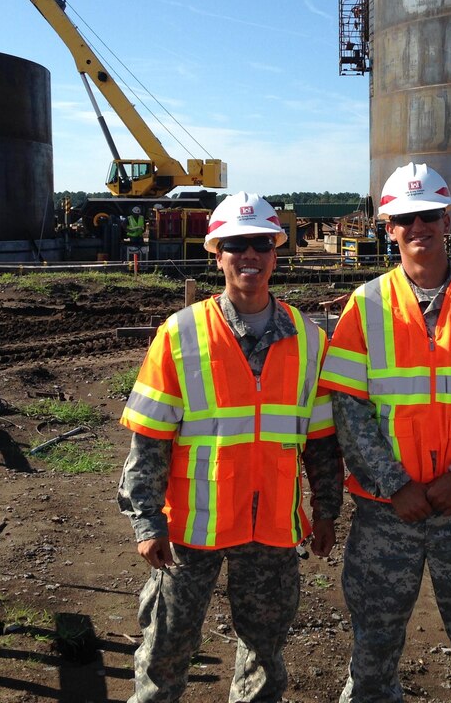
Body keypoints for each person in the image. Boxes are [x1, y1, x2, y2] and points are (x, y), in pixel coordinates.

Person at [319, 163, 451, 703]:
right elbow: (349, 411)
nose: (419, 227)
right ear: (388, 228)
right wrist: (397, 485)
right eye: (405, 218)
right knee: (370, 661)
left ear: (447, 220)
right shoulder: (364, 307)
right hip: (384, 514)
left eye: (429, 216)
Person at [117, 191, 343, 703]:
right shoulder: (181, 334)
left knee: (265, 656)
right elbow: (149, 439)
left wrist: (326, 511)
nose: (251, 256)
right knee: (165, 651)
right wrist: (146, 520)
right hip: (191, 529)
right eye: (237, 244)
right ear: (215, 252)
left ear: (275, 252)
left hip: (271, 531)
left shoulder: (308, 340)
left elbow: (322, 443)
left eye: (261, 244)